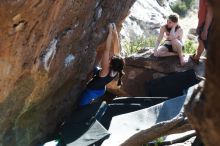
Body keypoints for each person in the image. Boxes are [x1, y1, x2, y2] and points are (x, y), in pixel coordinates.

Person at [79, 23, 125, 107]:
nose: (110, 58)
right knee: (96, 69)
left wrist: (110, 31)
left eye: (110, 59)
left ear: (110, 64)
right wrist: (115, 32)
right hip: (101, 90)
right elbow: (117, 50)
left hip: (91, 91)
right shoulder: (117, 70)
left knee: (81, 107)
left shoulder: (105, 71)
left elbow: (107, 50)